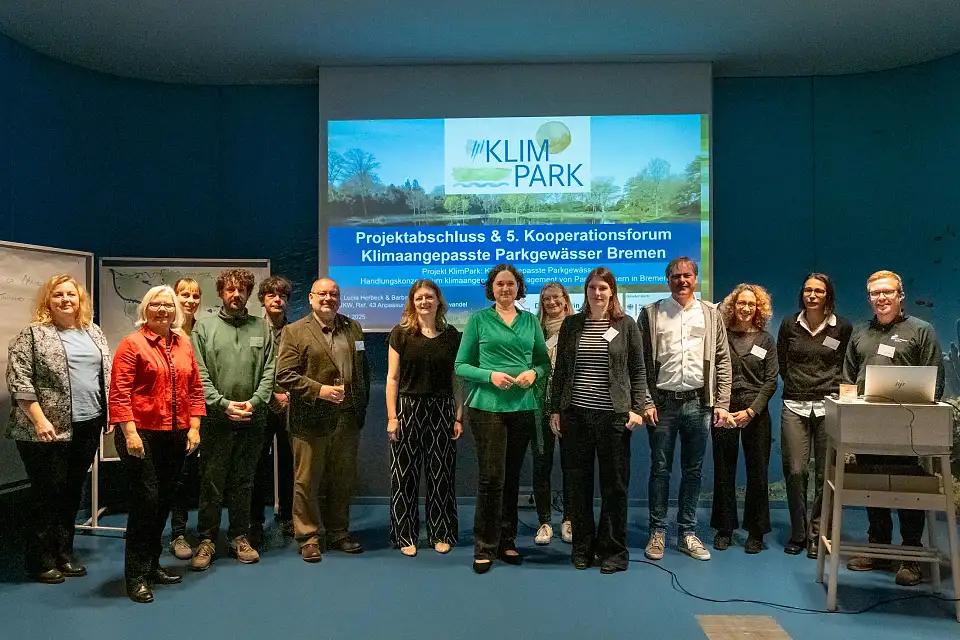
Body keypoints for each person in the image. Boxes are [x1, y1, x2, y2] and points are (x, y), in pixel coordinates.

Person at [5, 275, 111, 584]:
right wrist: (39, 420)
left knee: (71, 492)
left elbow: (104, 376)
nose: (65, 300)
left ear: (80, 300)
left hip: (87, 424)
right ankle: (39, 560)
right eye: (58, 295)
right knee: (47, 494)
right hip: (46, 429)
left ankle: (64, 553)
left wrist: (109, 414)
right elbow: (19, 380)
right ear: (47, 301)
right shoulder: (33, 335)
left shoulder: (93, 332)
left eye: (71, 294)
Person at [843, 270, 944, 587]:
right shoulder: (860, 331)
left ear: (900, 296)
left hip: (908, 430)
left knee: (909, 492)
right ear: (869, 298)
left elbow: (935, 381)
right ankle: (879, 549)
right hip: (867, 427)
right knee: (871, 486)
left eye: (887, 292)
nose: (881, 298)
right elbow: (848, 379)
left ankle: (911, 557)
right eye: (875, 293)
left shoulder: (921, 330)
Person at [110, 285, 205, 603]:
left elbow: (195, 388)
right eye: (156, 304)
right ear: (145, 309)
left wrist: (194, 427)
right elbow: (120, 393)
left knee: (164, 501)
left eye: (168, 305)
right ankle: (135, 575)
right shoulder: (132, 343)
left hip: (176, 435)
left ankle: (152, 566)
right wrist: (130, 433)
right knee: (145, 503)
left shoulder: (183, 344)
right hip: (141, 435)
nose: (162, 310)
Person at [455, 263, 551, 574]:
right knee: (491, 478)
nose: (505, 289)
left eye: (511, 283)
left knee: (511, 478)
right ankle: (485, 546)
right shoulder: (478, 320)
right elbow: (461, 365)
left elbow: (543, 363)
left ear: (518, 287)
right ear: (491, 289)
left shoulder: (530, 321)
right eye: (500, 284)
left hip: (522, 407)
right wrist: (490, 375)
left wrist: (533, 373)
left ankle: (506, 541)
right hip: (487, 407)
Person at [549, 267, 646, 572]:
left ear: (612, 291)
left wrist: (637, 408)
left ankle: (613, 552)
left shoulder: (626, 325)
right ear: (586, 291)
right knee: (577, 485)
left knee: (614, 487)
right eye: (592, 287)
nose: (597, 293)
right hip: (576, 415)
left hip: (614, 417)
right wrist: (555, 409)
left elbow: (638, 370)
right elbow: (561, 371)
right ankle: (582, 548)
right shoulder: (572, 324)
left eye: (603, 288)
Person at [639, 256, 733, 562]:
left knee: (693, 471)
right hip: (662, 404)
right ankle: (657, 531)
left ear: (696, 279)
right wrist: (646, 401)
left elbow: (722, 360)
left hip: (698, 404)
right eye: (676, 276)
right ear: (667, 279)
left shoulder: (710, 314)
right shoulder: (651, 313)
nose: (682, 280)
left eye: (687, 275)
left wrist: (721, 403)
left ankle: (687, 533)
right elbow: (639, 363)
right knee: (660, 470)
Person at [275, 277, 370, 563]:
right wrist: (320, 390)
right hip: (310, 419)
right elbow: (284, 375)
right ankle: (308, 537)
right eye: (323, 294)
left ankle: (339, 532)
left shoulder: (353, 327)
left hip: (347, 418)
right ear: (311, 298)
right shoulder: (294, 331)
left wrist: (360, 406)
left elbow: (363, 369)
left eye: (334, 294)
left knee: (341, 479)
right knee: (307, 481)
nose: (328, 298)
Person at [189, 269, 276, 571]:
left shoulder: (262, 328)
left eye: (242, 290)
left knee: (244, 481)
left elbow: (270, 370)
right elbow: (199, 373)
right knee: (212, 482)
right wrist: (222, 404)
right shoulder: (204, 327)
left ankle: (239, 536)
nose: (236, 294)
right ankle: (207, 539)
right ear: (221, 293)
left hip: (253, 418)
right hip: (217, 419)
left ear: (249, 294)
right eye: (230, 289)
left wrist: (254, 402)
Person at [777, 273, 853, 558]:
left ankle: (817, 534)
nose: (812, 295)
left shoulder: (842, 327)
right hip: (794, 405)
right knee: (796, 471)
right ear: (802, 294)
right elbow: (782, 361)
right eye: (808, 290)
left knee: (825, 473)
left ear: (827, 295)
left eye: (819, 291)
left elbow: (847, 365)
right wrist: (796, 384)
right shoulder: (789, 324)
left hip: (828, 406)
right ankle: (798, 533)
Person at [385, 279, 463, 557]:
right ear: (412, 302)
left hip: (442, 409)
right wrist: (392, 416)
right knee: (404, 475)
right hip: (407, 408)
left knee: (441, 474)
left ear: (439, 301)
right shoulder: (400, 334)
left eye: (429, 297)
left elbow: (457, 378)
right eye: (419, 298)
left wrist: (458, 416)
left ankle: (441, 532)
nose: (424, 302)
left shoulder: (451, 335)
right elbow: (392, 378)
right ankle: (404, 534)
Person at [710, 284, 779, 554]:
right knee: (723, 471)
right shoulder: (722, 337)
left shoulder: (766, 340)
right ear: (733, 306)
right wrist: (721, 408)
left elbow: (771, 381)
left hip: (755, 414)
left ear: (758, 308)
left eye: (752, 304)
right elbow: (714, 374)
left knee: (758, 472)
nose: (746, 308)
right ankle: (724, 529)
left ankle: (756, 531)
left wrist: (751, 411)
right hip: (724, 411)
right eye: (742, 303)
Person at [250, 275, 295, 547]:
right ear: (263, 300)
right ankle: (255, 521)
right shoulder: (252, 329)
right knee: (257, 465)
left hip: (290, 406)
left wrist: (288, 395)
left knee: (290, 464)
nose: (277, 300)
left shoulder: (296, 330)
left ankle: (289, 517)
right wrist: (269, 397)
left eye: (282, 296)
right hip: (261, 406)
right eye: (271, 296)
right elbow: (248, 368)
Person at [533, 282, 574, 546]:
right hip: (539, 406)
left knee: (571, 466)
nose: (551, 302)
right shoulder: (534, 329)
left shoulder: (576, 327)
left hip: (569, 406)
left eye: (555, 297)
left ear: (565, 299)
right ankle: (544, 522)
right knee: (541, 465)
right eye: (546, 298)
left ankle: (569, 520)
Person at [168, 277, 202, 560]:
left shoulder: (204, 330)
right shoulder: (166, 332)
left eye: (195, 296)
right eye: (184, 295)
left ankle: (206, 533)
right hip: (175, 417)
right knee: (178, 477)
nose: (190, 301)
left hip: (203, 412)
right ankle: (177, 534)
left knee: (197, 477)